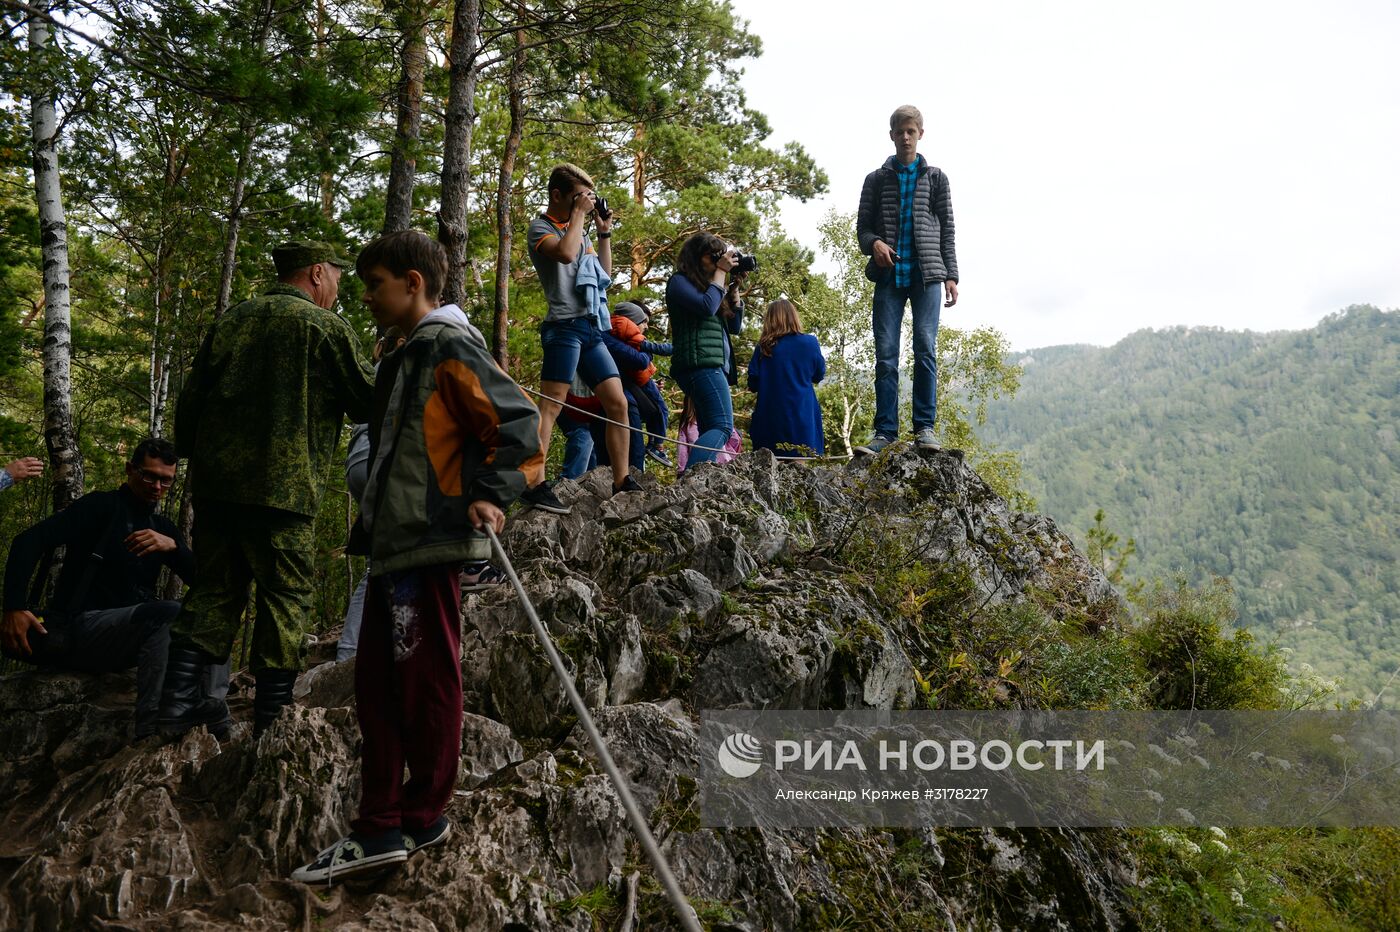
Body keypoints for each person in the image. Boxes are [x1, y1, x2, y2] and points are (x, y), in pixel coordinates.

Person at [292, 229, 542, 883]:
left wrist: (490, 496)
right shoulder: (407, 354)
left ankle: (409, 818)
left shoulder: (446, 345)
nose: (367, 296)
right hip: (398, 546)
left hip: (429, 542)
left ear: (413, 283)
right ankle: (392, 821)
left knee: (421, 679)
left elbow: (516, 426)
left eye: (375, 284)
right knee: (379, 684)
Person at [166, 239, 375, 739]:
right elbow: (369, 401)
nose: (339, 291)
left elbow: (189, 407)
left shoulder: (233, 320)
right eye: (339, 280)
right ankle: (270, 723)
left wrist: (201, 459)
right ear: (318, 273)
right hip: (285, 493)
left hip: (217, 491)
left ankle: (170, 716)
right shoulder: (322, 328)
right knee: (285, 599)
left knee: (213, 592)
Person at [1, 438, 225, 740]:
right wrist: (15, 606)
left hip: (133, 640)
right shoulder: (100, 507)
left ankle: (213, 711)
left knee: (215, 611)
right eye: (149, 475)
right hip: (82, 628)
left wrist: (173, 548)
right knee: (169, 613)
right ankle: (152, 727)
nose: (156, 487)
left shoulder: (163, 526)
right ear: (129, 469)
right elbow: (29, 541)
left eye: (166, 481)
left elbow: (210, 586)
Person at [523, 163, 639, 512]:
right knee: (551, 405)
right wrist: (578, 217)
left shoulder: (580, 230)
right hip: (562, 327)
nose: (585, 204)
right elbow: (565, 254)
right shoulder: (540, 228)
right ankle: (534, 482)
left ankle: (621, 480)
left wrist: (603, 232)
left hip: (590, 327)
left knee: (617, 402)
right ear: (557, 195)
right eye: (578, 198)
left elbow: (604, 273)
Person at [855, 104, 959, 456]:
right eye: (900, 131)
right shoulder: (876, 179)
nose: (905, 137)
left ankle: (924, 429)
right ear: (891, 135)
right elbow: (862, 230)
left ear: (920, 134)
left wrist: (952, 275)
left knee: (925, 350)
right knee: (886, 356)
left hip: (928, 275)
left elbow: (947, 230)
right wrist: (876, 244)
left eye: (911, 131)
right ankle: (885, 432)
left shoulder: (937, 178)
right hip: (888, 277)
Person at [666, 232, 745, 467]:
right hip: (700, 365)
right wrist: (720, 274)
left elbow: (734, 326)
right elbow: (706, 307)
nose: (719, 261)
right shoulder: (679, 282)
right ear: (697, 257)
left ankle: (694, 485)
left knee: (710, 429)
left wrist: (734, 293)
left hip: (709, 365)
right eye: (714, 257)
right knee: (722, 427)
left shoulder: (710, 288)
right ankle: (691, 480)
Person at [747, 298, 826, 459]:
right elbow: (819, 374)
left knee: (770, 471)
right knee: (798, 472)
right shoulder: (810, 343)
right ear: (793, 317)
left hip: (769, 419)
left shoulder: (763, 347)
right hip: (802, 417)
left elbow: (753, 382)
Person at [610, 301, 673, 467]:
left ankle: (654, 443)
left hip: (637, 383)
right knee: (661, 409)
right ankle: (657, 444)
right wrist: (675, 348)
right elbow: (644, 357)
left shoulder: (616, 330)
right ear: (633, 321)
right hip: (637, 382)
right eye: (644, 322)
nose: (646, 327)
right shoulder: (629, 332)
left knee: (655, 410)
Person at [675, 395, 741, 472]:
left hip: (698, 467)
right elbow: (735, 440)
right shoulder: (719, 424)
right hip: (724, 464)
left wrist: (681, 470)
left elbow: (682, 451)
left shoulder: (686, 426)